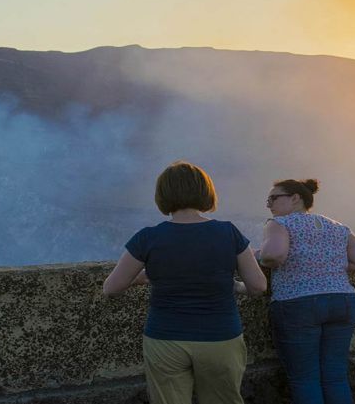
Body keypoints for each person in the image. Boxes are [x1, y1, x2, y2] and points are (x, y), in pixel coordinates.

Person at [103, 161, 267, 404]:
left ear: (163, 195)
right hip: (220, 337)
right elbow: (258, 286)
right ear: (205, 192)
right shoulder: (228, 233)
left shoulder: (148, 237)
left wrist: (148, 276)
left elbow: (111, 288)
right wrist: (236, 286)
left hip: (165, 338)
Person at [258, 178, 355, 404]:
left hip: (298, 303)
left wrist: (257, 255)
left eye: (273, 198)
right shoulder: (336, 226)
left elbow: (273, 255)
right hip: (342, 301)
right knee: (335, 377)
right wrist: (328, 268)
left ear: (295, 198)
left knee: (305, 379)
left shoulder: (280, 223)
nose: (269, 204)